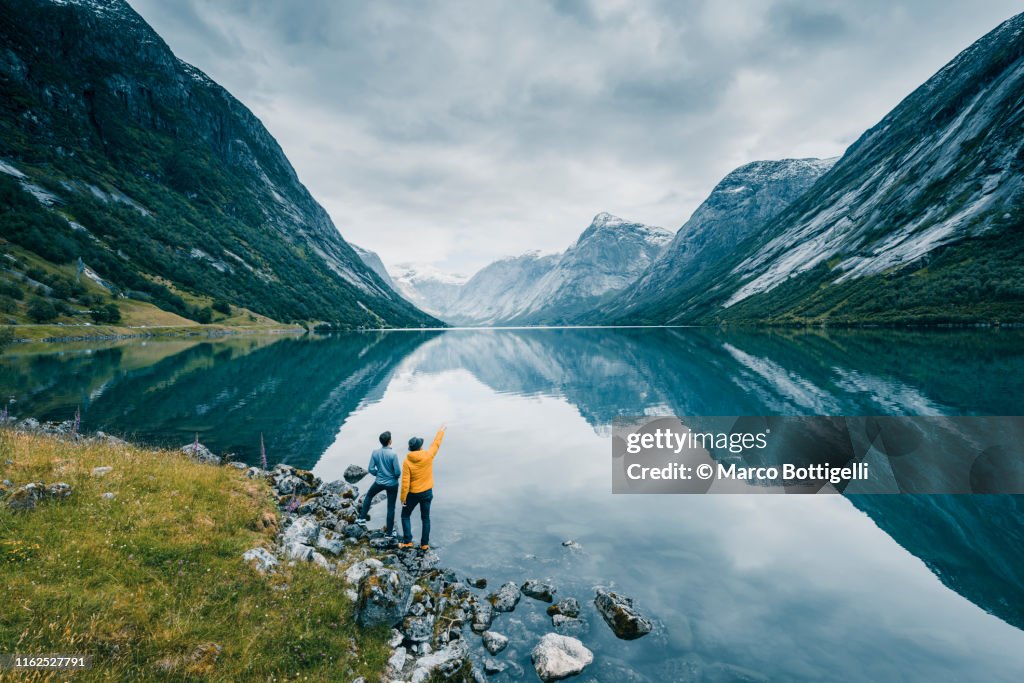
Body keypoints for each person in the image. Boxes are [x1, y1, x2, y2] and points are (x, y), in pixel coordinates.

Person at [398, 424, 446, 551]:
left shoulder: (407, 461)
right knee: (425, 518)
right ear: (420, 447)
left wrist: (403, 499)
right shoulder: (428, 455)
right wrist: (441, 431)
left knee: (405, 515)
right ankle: (424, 544)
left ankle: (408, 541)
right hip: (427, 493)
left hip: (413, 494)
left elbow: (405, 482)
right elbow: (436, 444)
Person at [357, 430, 402, 536]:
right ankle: (390, 533)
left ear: (381, 441)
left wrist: (379, 474)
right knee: (391, 507)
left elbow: (371, 469)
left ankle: (362, 518)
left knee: (369, 496)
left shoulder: (375, 453)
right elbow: (397, 472)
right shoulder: (393, 455)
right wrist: (392, 477)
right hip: (392, 484)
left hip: (379, 482)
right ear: (390, 441)